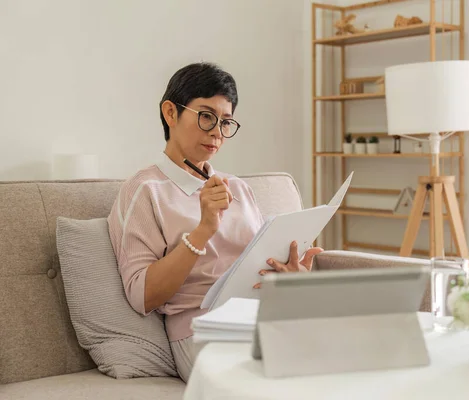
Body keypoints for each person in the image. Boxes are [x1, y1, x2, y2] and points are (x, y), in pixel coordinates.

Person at [107, 62, 323, 382]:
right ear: (170, 113)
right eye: (206, 116)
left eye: (226, 122)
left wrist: (288, 277)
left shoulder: (237, 188)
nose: (216, 133)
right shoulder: (143, 191)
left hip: (263, 314)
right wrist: (204, 229)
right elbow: (142, 296)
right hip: (202, 330)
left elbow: (256, 265)